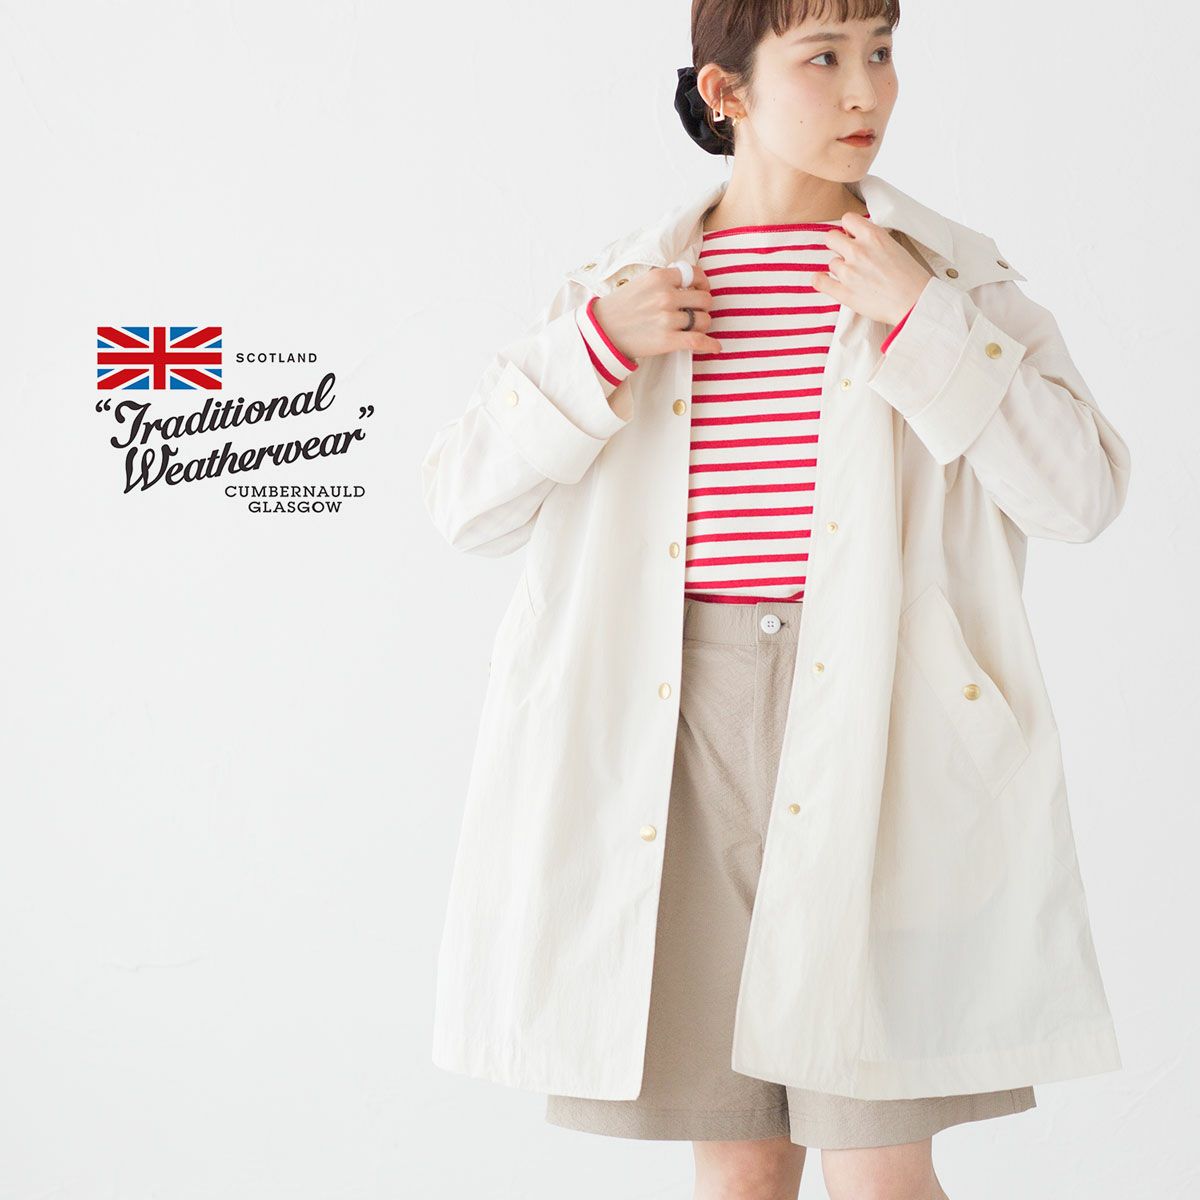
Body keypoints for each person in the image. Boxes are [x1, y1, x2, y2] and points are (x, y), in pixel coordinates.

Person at [420, 3, 1130, 1198]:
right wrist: (594, 347)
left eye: (882, 52)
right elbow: (463, 505)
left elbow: (1081, 495)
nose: (867, 91)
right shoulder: (622, 287)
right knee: (741, 1164)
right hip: (675, 734)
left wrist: (928, 325)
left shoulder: (947, 276)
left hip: (883, 726)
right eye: (824, 58)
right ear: (726, 89)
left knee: (878, 1162)